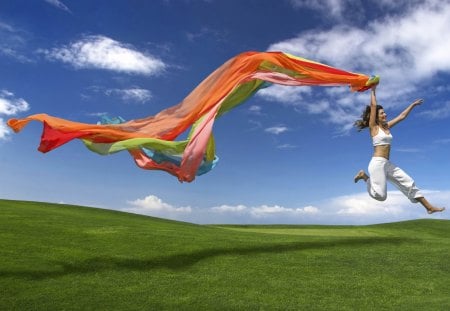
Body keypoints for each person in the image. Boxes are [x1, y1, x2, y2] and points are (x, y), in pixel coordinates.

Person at [353, 85, 445, 214]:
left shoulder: (387, 127)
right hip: (377, 164)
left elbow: (401, 116)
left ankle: (428, 207)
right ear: (376, 117)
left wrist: (412, 105)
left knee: (408, 182)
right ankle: (364, 177)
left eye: (384, 112)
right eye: (382, 113)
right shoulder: (373, 127)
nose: (385, 114)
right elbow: (373, 106)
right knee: (381, 196)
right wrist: (373, 90)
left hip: (388, 163)